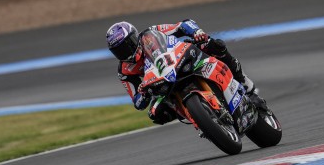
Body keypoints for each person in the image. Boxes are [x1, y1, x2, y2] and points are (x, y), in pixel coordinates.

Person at [106, 20, 268, 125]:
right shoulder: (124, 71)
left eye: (128, 44)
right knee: (156, 114)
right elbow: (137, 102)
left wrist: (196, 33)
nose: (125, 52)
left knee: (214, 45)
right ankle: (199, 118)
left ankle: (248, 88)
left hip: (180, 59)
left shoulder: (150, 34)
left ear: (135, 36)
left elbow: (182, 25)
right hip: (160, 84)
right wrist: (144, 94)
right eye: (119, 51)